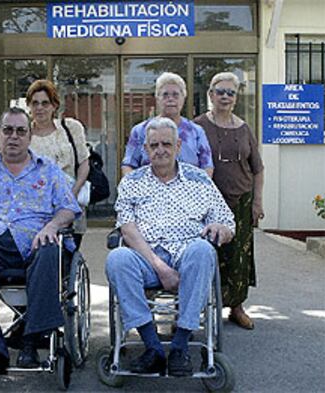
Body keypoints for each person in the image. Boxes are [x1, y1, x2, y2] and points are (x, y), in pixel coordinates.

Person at [0, 107, 82, 375]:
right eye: (8, 130)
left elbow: (69, 208)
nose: (14, 136)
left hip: (37, 240)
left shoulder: (47, 170)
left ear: (30, 135)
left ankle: (31, 340)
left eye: (20, 131)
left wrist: (53, 224)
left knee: (51, 251)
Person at [106, 117, 235, 377]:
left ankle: (179, 346)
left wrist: (222, 229)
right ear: (145, 149)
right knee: (117, 258)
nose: (160, 150)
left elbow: (227, 222)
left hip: (188, 256)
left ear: (178, 146)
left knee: (203, 250)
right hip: (146, 255)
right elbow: (127, 228)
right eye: (154, 145)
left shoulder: (199, 180)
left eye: (166, 143)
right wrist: (159, 266)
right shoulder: (132, 182)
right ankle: (152, 346)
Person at [194, 71, 264, 330]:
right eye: (220, 91)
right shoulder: (197, 125)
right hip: (208, 202)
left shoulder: (244, 128)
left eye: (230, 92)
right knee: (208, 253)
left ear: (236, 98)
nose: (225, 96)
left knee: (239, 257)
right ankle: (203, 306)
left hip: (241, 201)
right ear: (211, 94)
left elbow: (257, 168)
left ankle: (237, 307)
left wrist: (257, 202)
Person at [26, 79, 89, 249]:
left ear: (54, 105)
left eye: (45, 103)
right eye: (35, 103)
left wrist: (72, 194)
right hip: (35, 206)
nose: (40, 108)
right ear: (29, 106)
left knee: (67, 253)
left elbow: (84, 164)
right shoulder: (23, 134)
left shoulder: (71, 128)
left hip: (70, 198)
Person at [121, 72, 214, 177]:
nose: (170, 99)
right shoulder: (140, 131)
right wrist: (135, 189)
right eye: (165, 95)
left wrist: (198, 190)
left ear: (184, 97)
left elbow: (207, 166)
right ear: (157, 98)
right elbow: (128, 165)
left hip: (189, 191)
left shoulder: (196, 132)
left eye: (175, 95)